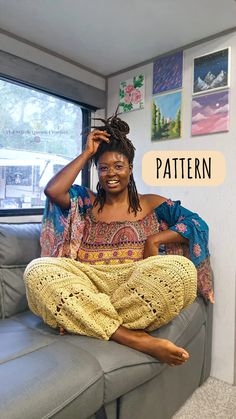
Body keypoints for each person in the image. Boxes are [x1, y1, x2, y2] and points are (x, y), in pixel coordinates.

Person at [24, 114, 213, 367]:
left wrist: (154, 240)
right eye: (103, 167)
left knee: (181, 270)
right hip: (88, 280)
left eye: (118, 166)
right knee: (37, 270)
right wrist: (86, 153)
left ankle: (82, 318)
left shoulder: (151, 202)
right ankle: (133, 338)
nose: (111, 173)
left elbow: (196, 224)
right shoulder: (87, 201)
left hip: (134, 280)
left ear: (130, 169)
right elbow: (53, 190)